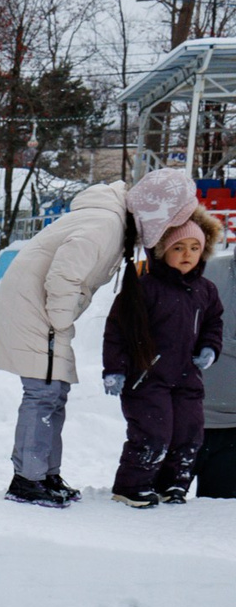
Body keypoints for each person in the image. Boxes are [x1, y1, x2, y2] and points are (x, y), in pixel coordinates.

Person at [0, 173, 153, 507]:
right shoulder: (105, 224)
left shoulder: (112, 221)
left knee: (55, 393)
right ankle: (27, 479)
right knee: (43, 394)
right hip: (38, 309)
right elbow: (64, 274)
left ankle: (45, 474)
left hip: (40, 308)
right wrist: (60, 320)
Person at [101, 210, 224, 508]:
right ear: (161, 252)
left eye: (194, 248)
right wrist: (115, 369)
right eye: (178, 248)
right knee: (153, 433)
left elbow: (213, 323)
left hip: (187, 377)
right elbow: (118, 330)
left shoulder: (206, 290)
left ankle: (171, 484)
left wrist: (209, 348)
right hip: (147, 377)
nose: (187, 254)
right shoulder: (144, 288)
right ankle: (132, 486)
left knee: (188, 433)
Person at [200, 234, 236, 497]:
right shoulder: (205, 272)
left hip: (232, 432)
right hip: (182, 419)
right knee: (159, 507)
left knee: (213, 510)